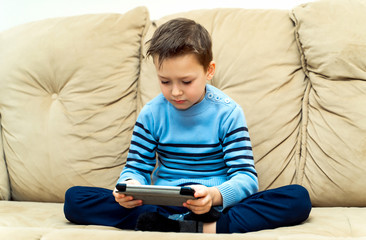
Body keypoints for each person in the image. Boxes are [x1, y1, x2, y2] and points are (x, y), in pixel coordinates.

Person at [64, 18, 312, 233]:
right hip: (162, 203)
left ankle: (188, 226)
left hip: (212, 205)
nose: (175, 91)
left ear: (209, 71)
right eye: (164, 81)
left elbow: (245, 178)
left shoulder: (228, 112)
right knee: (74, 199)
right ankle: (182, 224)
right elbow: (136, 169)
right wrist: (131, 189)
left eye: (186, 81)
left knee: (297, 199)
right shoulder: (151, 114)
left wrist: (214, 196)